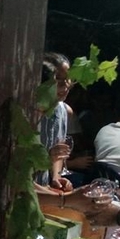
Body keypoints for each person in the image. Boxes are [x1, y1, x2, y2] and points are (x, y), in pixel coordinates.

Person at [35, 53, 73, 192]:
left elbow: (58, 152)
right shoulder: (29, 111)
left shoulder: (65, 111)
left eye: (68, 79)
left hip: (44, 188)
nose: (66, 85)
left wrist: (56, 178)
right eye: (59, 80)